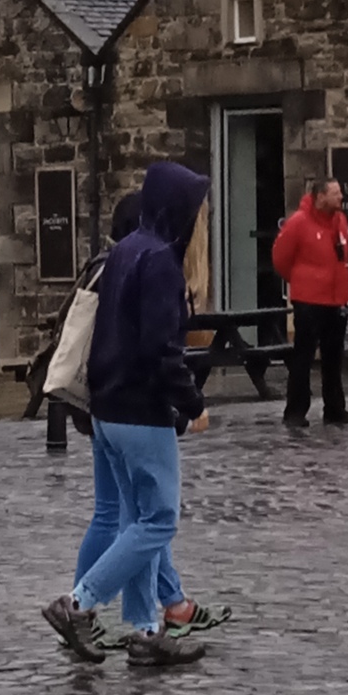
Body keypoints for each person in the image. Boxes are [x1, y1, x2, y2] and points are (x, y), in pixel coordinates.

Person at [43, 162, 212, 669]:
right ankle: (78, 603)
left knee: (136, 520)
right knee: (158, 521)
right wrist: (192, 404)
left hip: (108, 408)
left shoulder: (124, 251)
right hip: (141, 411)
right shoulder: (160, 261)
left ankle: (146, 631)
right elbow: (161, 350)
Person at [272, 176, 348, 429]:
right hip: (309, 300)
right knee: (303, 356)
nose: (341, 197)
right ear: (320, 197)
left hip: (335, 297)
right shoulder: (299, 222)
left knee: (334, 356)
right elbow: (280, 257)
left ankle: (335, 408)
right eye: (335, 193)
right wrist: (302, 280)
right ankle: (295, 411)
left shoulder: (340, 221)